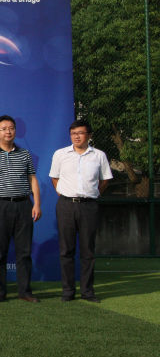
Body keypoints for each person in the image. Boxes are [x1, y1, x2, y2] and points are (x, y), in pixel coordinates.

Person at [49, 120, 112, 303]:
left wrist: (94, 193)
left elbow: (105, 180)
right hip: (66, 205)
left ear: (89, 135)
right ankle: (68, 291)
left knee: (88, 251)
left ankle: (87, 291)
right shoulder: (60, 154)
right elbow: (54, 177)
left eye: (81, 133)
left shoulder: (99, 155)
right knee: (66, 250)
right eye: (73, 133)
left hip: (89, 206)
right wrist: (63, 193)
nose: (76, 137)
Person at [0, 115, 42, 303]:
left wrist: (37, 204)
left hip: (23, 205)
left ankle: (25, 291)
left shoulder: (25, 154)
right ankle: (0, 292)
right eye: (4, 128)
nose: (8, 131)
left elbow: (32, 180)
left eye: (11, 128)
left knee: (24, 251)